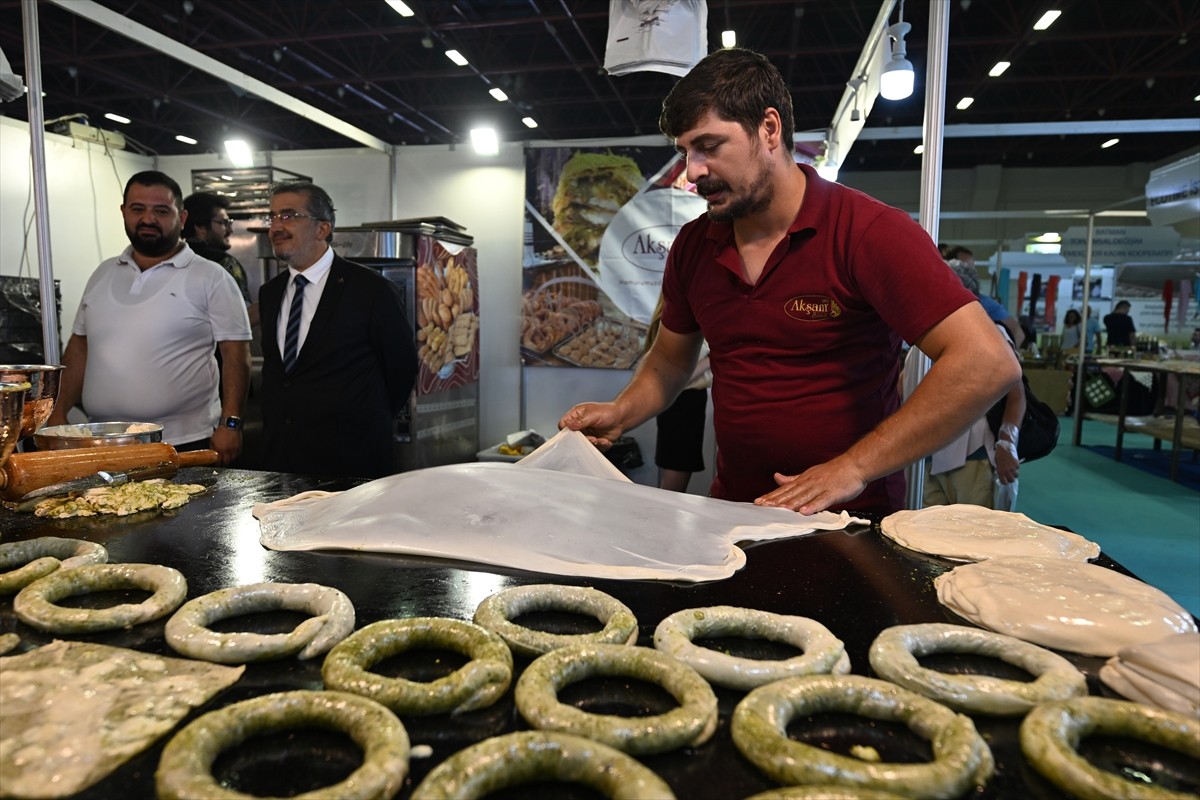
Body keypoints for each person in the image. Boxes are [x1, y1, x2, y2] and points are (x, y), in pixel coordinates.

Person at [559, 48, 1020, 516]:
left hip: (850, 523)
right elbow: (671, 363)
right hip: (736, 514)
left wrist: (853, 467)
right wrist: (622, 411)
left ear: (770, 129)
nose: (693, 171)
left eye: (709, 146)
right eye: (685, 152)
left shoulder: (867, 232)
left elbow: (986, 362)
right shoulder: (694, 246)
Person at [48, 170, 251, 463]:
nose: (148, 219)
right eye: (138, 209)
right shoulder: (102, 274)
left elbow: (236, 355)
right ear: (123, 212)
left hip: (183, 442)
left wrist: (231, 424)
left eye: (160, 211)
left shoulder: (210, 277)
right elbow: (80, 346)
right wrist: (58, 412)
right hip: (103, 440)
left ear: (181, 219)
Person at [257, 180, 418, 478]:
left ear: (323, 228)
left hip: (350, 461)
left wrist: (364, 420)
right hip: (281, 462)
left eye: (289, 216)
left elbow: (402, 368)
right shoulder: (271, 292)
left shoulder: (371, 290)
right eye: (273, 217)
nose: (276, 226)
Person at [906, 265, 1024, 509]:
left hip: (974, 460)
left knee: (978, 539)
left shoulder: (993, 336)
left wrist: (1006, 443)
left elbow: (1017, 397)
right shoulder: (918, 343)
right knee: (924, 538)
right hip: (922, 458)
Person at [645, 294, 710, 493]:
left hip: (683, 401)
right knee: (677, 467)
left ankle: (664, 515)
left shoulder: (663, 326)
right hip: (683, 401)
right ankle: (665, 518)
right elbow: (676, 376)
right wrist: (712, 357)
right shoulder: (678, 330)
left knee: (675, 466)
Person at [183, 192, 259, 326]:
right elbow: (241, 318)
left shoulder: (172, 259)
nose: (230, 229)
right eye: (224, 223)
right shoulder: (224, 263)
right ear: (200, 227)